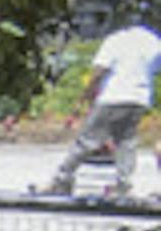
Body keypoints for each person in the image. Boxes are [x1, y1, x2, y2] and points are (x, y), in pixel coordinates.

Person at [36, 13, 161, 200]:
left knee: (86, 140)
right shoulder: (153, 42)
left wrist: (84, 97)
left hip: (113, 96)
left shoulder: (116, 40)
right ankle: (124, 185)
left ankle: (62, 179)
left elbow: (99, 72)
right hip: (139, 98)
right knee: (125, 142)